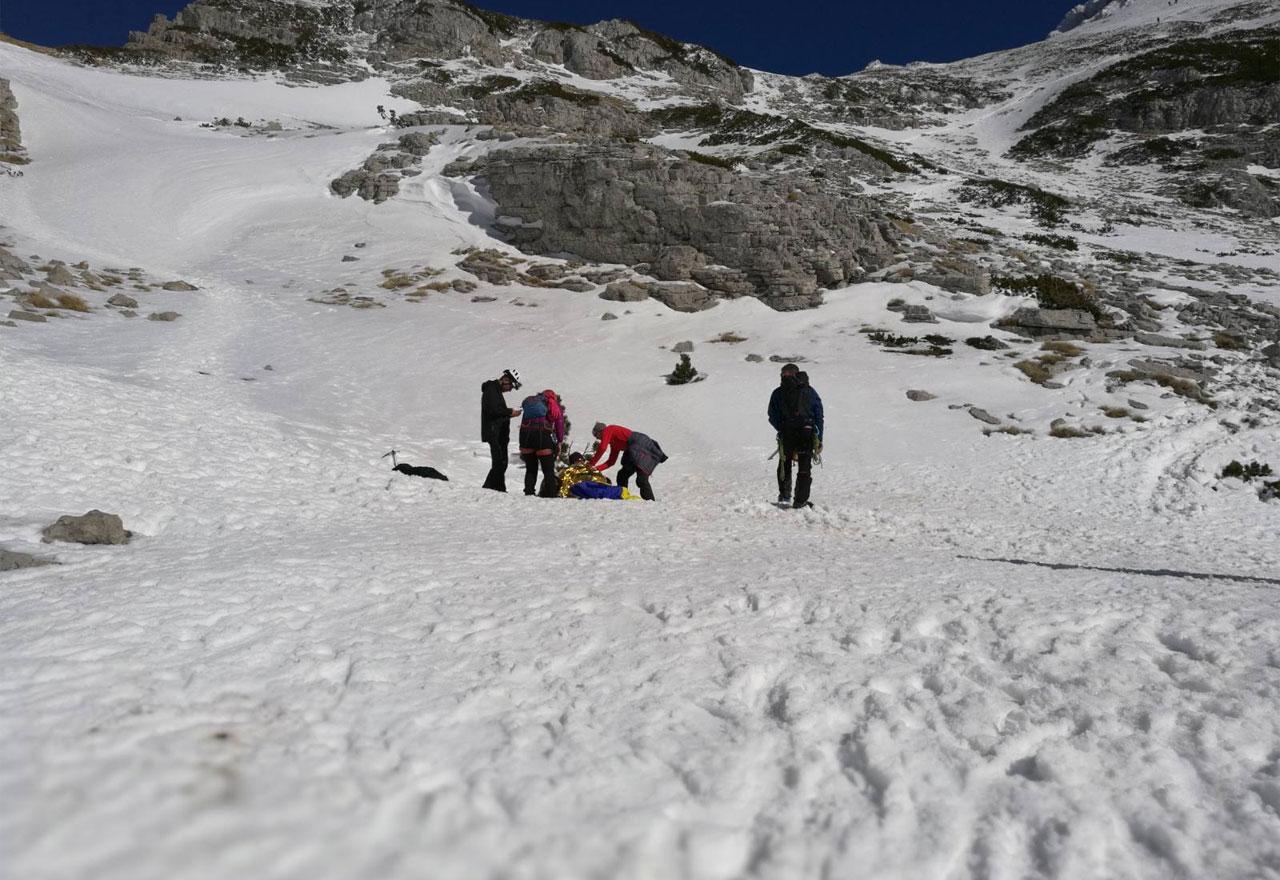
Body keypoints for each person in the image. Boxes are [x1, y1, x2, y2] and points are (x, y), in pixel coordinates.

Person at [768, 363, 824, 508]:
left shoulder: (778, 392)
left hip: (787, 433)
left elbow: (771, 414)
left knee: (784, 463)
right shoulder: (809, 391)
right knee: (805, 467)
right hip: (807, 432)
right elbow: (818, 414)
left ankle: (784, 496)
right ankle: (800, 500)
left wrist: (781, 428)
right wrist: (819, 438)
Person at [587, 422, 667, 501]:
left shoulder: (608, 429)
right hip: (632, 450)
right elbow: (611, 462)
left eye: (596, 435)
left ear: (601, 431)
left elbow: (602, 448)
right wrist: (596, 470)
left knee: (641, 479)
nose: (598, 439)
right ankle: (623, 496)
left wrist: (591, 464)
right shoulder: (614, 444)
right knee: (622, 475)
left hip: (640, 445)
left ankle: (650, 501)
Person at [480, 369, 522, 492]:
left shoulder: (495, 390)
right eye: (511, 386)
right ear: (505, 380)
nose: (510, 390)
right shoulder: (491, 389)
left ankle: (491, 487)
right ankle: (496, 488)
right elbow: (494, 410)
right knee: (499, 462)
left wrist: (510, 413)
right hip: (494, 432)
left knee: (501, 462)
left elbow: (497, 410)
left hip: (498, 432)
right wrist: (510, 412)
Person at [519, 388, 565, 497]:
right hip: (542, 437)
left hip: (525, 436)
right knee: (548, 470)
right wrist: (559, 441)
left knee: (530, 469)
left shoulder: (532, 403)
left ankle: (529, 492)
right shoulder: (553, 404)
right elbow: (559, 423)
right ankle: (551, 494)